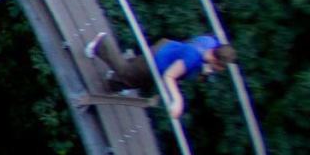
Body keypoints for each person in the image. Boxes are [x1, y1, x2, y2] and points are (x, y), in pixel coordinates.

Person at [87, 30, 234, 120]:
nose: (216, 70)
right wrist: (178, 101)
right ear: (215, 60)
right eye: (217, 67)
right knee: (127, 74)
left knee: (135, 78)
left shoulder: (210, 42)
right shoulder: (193, 58)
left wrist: (204, 69)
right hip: (156, 62)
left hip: (166, 48)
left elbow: (189, 47)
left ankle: (113, 82)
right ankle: (102, 44)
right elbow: (169, 76)